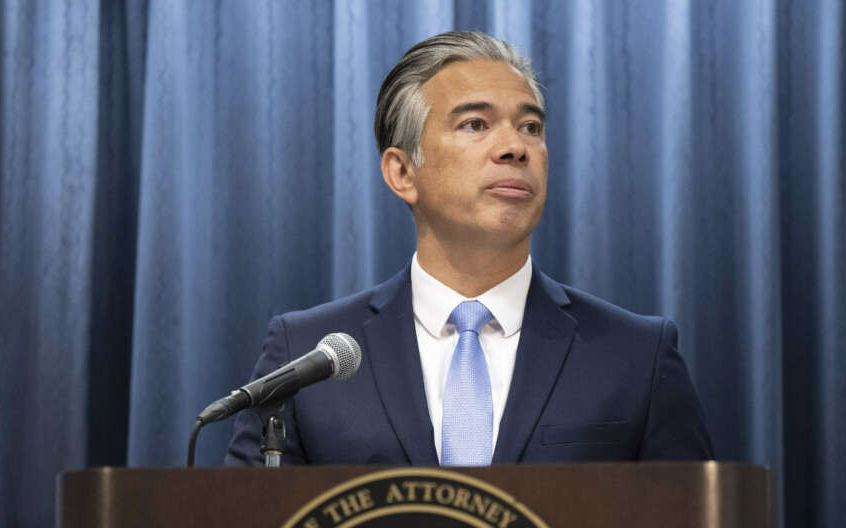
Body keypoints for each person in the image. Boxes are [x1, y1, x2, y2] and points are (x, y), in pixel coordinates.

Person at [226, 31, 713, 467]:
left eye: (531, 128)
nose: (514, 148)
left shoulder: (635, 355)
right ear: (402, 172)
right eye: (476, 125)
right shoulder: (307, 357)